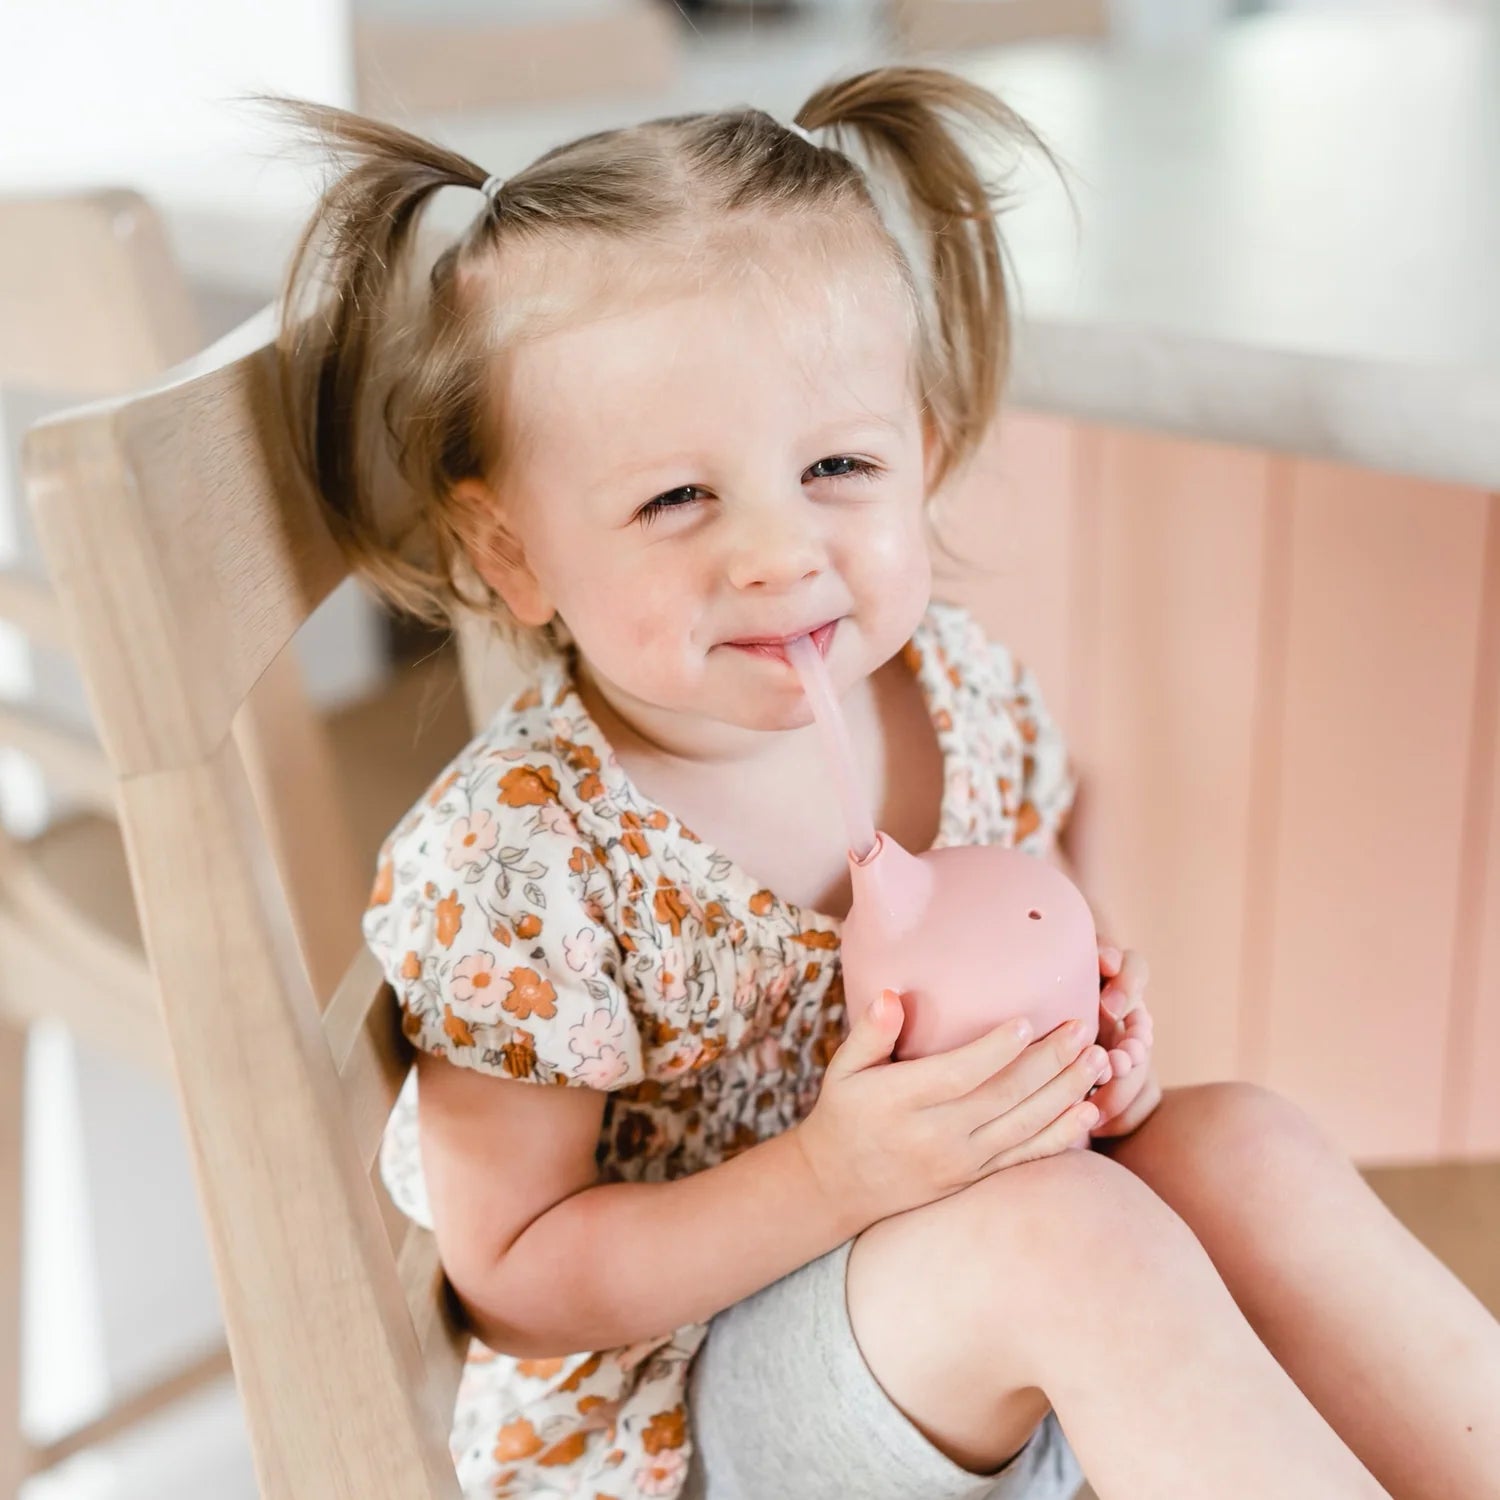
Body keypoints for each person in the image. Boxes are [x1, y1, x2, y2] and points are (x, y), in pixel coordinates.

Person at [272, 67, 1500, 1500]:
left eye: (838, 464)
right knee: (1074, 1245)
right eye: (679, 498)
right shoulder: (527, 858)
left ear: (924, 449)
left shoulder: (963, 697)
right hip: (702, 1410)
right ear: (513, 554)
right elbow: (519, 1277)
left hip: (975, 1321)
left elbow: (1028, 972)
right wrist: (834, 1179)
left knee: (1242, 1143)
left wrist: (1081, 1066)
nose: (779, 553)